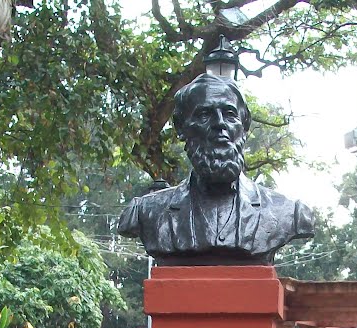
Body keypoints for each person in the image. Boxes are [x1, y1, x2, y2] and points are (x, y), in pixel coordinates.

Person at [118, 74, 315, 265]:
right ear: (181, 127)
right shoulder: (145, 212)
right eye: (204, 114)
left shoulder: (289, 212)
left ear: (244, 125)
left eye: (230, 114)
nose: (220, 123)